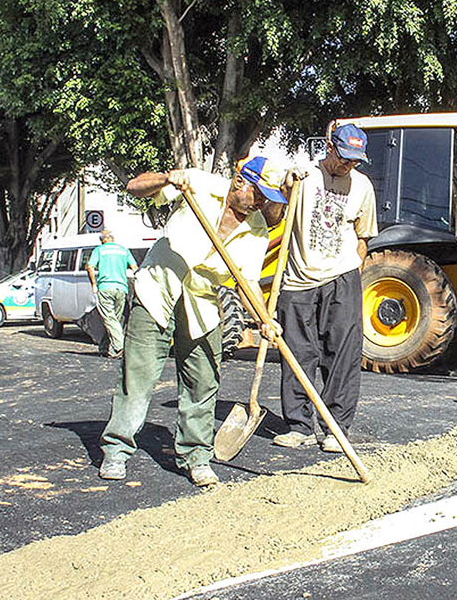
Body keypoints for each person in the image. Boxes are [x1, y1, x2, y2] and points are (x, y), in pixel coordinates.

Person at [98, 156, 287, 486]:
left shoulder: (256, 231)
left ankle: (196, 456)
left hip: (201, 301)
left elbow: (248, 283)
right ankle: (116, 449)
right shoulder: (200, 184)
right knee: (138, 374)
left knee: (204, 379)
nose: (261, 204)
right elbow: (134, 186)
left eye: (267, 198)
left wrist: (265, 319)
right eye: (259, 194)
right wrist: (169, 179)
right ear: (240, 181)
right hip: (158, 288)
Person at [272, 123, 378, 453]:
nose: (349, 165)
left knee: (343, 355)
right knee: (297, 354)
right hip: (298, 279)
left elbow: (364, 237)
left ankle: (336, 428)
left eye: (355, 160)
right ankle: (300, 426)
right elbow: (274, 216)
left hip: (342, 278)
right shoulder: (304, 177)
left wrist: (353, 270)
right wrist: (285, 189)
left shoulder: (362, 186)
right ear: (330, 148)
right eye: (345, 157)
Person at [86, 230, 138, 359]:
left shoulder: (99, 250)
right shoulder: (124, 250)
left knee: (109, 319)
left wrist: (93, 283)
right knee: (115, 320)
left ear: (102, 240)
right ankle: (105, 347)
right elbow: (135, 267)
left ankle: (120, 346)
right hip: (121, 288)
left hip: (105, 287)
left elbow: (90, 267)